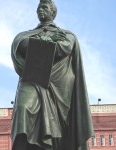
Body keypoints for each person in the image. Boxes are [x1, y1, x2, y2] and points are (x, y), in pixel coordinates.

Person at [11, 0, 94, 150]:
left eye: (44, 7)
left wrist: (40, 44)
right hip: (33, 79)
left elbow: (64, 47)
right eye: (38, 8)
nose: (40, 10)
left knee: (61, 129)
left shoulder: (67, 35)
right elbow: (19, 45)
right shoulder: (25, 35)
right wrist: (47, 40)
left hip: (59, 85)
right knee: (23, 107)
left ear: (53, 12)